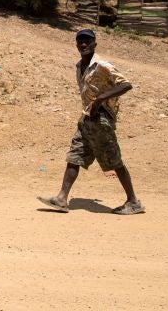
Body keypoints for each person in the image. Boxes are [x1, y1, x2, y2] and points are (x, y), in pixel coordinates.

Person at [38, 29, 145, 215]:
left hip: (102, 119)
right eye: (80, 41)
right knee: (75, 155)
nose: (83, 44)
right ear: (76, 45)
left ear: (95, 44)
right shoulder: (79, 66)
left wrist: (100, 100)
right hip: (86, 118)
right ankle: (62, 198)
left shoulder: (102, 65)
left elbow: (126, 84)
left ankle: (133, 201)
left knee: (113, 159)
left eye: (87, 41)